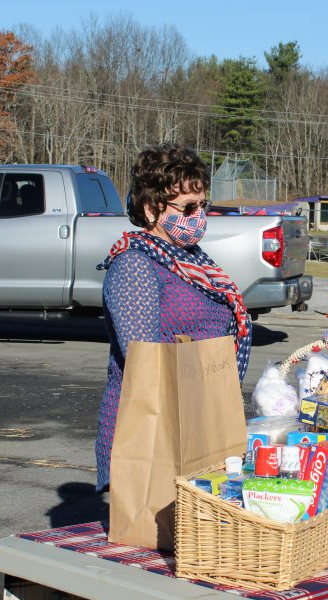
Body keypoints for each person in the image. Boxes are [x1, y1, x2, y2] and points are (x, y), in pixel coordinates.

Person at [94, 143, 251, 493]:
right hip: (155, 433)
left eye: (203, 205)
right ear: (151, 209)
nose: (199, 215)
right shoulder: (134, 265)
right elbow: (145, 358)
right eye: (189, 207)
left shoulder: (195, 261)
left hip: (199, 422)